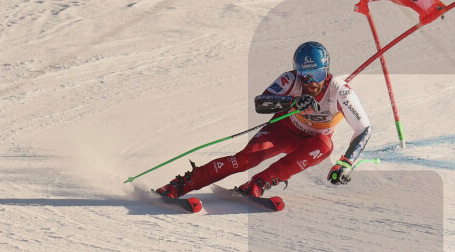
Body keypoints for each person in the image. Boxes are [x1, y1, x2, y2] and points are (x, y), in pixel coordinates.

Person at [155, 41, 371, 199]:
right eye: (305, 75)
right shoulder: (290, 79)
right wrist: (292, 103)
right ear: (298, 72)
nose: (311, 82)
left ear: (327, 70)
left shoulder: (341, 92)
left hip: (311, 142)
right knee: (244, 160)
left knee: (325, 146)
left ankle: (258, 183)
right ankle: (179, 185)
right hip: (283, 130)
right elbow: (261, 103)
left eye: (318, 74)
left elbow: (363, 129)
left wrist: (346, 163)